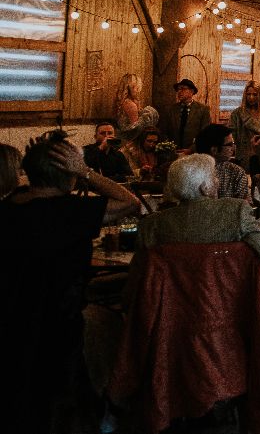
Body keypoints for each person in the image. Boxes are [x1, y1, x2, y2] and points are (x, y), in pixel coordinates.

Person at [0, 132, 140, 432]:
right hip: (58, 324)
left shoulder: (9, 205)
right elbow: (130, 202)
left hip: (10, 321)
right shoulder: (73, 211)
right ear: (69, 173)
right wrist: (85, 171)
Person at [132, 154, 260, 280]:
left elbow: (139, 279)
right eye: (214, 177)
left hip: (172, 310)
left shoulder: (150, 225)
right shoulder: (236, 211)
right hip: (231, 305)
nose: (217, 181)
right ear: (204, 187)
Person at [193, 123, 252, 201]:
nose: (233, 148)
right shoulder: (192, 172)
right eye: (229, 144)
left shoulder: (236, 172)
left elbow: (246, 205)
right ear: (214, 150)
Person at [228, 80, 260, 167]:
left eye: (255, 94)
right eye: (248, 94)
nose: (251, 97)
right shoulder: (237, 114)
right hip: (244, 156)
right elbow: (233, 138)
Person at [160, 78, 211, 152]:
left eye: (183, 89)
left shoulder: (203, 109)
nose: (179, 92)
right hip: (173, 151)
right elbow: (164, 131)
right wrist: (168, 147)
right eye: (178, 89)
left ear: (192, 91)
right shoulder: (171, 110)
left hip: (193, 152)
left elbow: (205, 133)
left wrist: (192, 149)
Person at [112, 73, 159, 144]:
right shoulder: (130, 104)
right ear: (133, 87)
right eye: (137, 87)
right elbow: (135, 129)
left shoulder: (121, 101)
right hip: (129, 141)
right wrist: (146, 118)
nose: (139, 90)